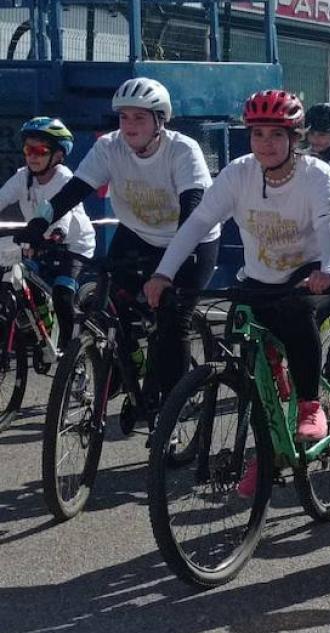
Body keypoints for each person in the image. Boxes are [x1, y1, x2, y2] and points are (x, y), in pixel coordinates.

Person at [143, 90, 330, 496]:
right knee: (247, 347)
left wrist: (328, 269)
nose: (266, 144)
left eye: (276, 135)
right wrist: (163, 274)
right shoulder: (238, 173)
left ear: (295, 138)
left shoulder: (315, 175)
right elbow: (198, 223)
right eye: (258, 135)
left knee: (295, 314)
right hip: (262, 274)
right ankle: (270, 449)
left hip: (317, 268)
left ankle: (310, 405)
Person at [20, 77, 219, 406]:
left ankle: (170, 411)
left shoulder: (182, 150)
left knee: (173, 322)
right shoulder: (109, 147)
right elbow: (72, 191)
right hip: (137, 234)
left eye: (139, 117)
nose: (129, 125)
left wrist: (167, 272)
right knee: (109, 307)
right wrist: (40, 222)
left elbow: (193, 212)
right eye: (124, 116)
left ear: (160, 121)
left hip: (191, 239)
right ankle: (122, 370)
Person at [0, 117, 95, 351]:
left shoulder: (64, 178)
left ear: (58, 156)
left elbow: (64, 213)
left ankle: (73, 350)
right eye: (28, 149)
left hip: (73, 245)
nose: (32, 156)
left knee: (63, 295)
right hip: (37, 242)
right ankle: (35, 330)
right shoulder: (23, 176)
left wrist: (58, 234)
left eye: (40, 150)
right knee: (14, 279)